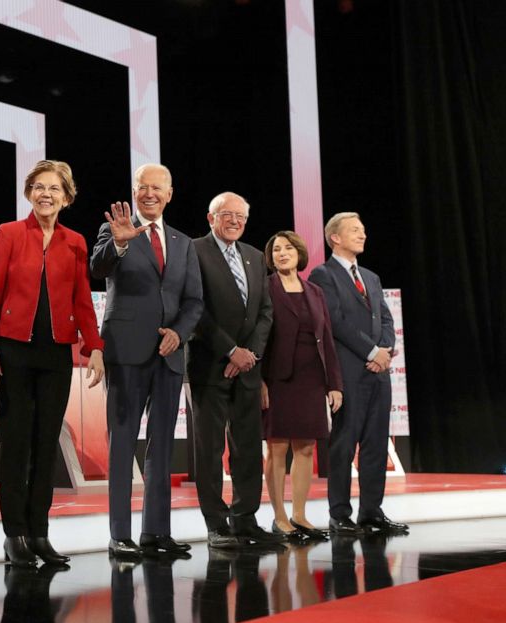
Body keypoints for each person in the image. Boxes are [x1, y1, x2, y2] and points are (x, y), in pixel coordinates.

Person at [0, 160, 105, 567]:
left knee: (47, 444)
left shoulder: (76, 242)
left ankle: (39, 532)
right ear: (29, 192)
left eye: (54, 188)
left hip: (55, 353)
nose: (45, 194)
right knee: (17, 443)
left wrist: (95, 346)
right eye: (38, 187)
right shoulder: (9, 233)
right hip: (12, 349)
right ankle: (13, 534)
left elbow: (82, 299)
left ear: (66, 197)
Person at [91, 164, 204, 558]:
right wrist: (120, 245)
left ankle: (156, 533)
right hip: (125, 352)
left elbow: (194, 301)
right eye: (143, 187)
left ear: (170, 194)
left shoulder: (183, 242)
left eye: (157, 188)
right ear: (134, 191)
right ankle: (119, 534)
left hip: (169, 355)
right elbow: (97, 267)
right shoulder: (115, 229)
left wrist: (180, 332)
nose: (150, 193)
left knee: (161, 446)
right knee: (122, 442)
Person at [186, 192, 284, 548]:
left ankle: (245, 519)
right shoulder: (193, 251)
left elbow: (266, 312)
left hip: (247, 369)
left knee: (246, 447)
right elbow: (194, 309)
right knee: (210, 449)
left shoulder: (256, 257)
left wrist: (250, 354)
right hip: (209, 365)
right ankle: (216, 524)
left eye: (241, 216)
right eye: (227, 214)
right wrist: (230, 350)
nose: (234, 221)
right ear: (210, 218)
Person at [308, 213, 408, 535]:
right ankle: (339, 514)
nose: (362, 234)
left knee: (376, 443)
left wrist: (385, 349)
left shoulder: (371, 277)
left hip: (379, 373)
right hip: (349, 370)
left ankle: (371, 512)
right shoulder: (323, 274)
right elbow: (335, 321)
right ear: (334, 237)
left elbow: (387, 321)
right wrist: (370, 352)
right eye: (354, 230)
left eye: (363, 230)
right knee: (344, 442)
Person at [260, 231, 343, 540]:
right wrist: (259, 382)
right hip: (277, 378)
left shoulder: (315, 291)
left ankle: (299, 515)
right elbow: (257, 337)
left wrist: (334, 383)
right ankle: (279, 517)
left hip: (311, 378)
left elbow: (328, 340)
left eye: (288, 248)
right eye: (276, 249)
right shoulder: (264, 289)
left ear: (299, 253)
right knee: (278, 448)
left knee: (306, 448)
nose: (282, 253)